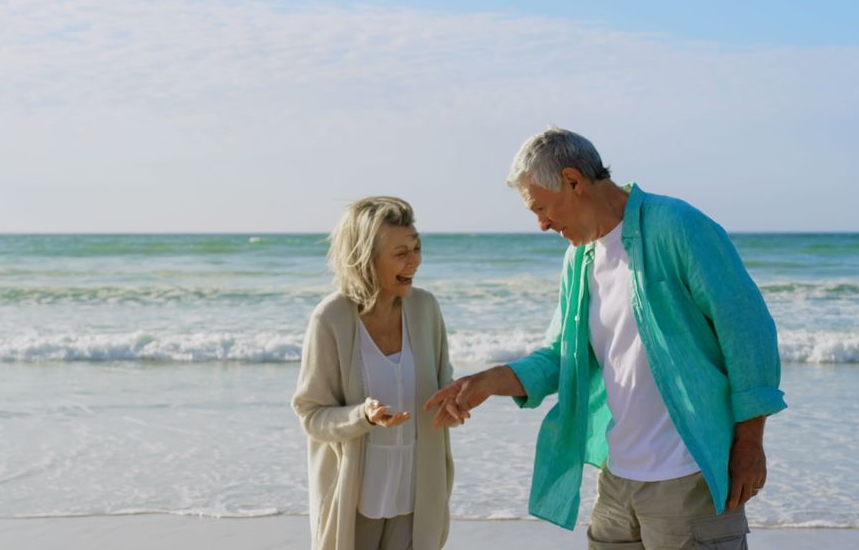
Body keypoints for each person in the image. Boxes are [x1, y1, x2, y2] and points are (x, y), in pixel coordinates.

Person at [425, 127, 786, 549]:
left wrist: (750, 441)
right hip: (616, 482)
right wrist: (488, 382)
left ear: (573, 181)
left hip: (686, 478)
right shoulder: (579, 260)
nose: (541, 224)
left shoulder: (678, 226)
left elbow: (746, 331)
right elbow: (561, 357)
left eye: (540, 208)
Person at [292, 196, 455, 550]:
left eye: (417, 247)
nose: (415, 260)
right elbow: (310, 414)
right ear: (365, 259)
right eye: (400, 253)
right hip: (355, 503)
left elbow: (445, 391)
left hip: (416, 501)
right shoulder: (330, 318)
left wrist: (455, 404)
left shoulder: (426, 309)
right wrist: (362, 416)